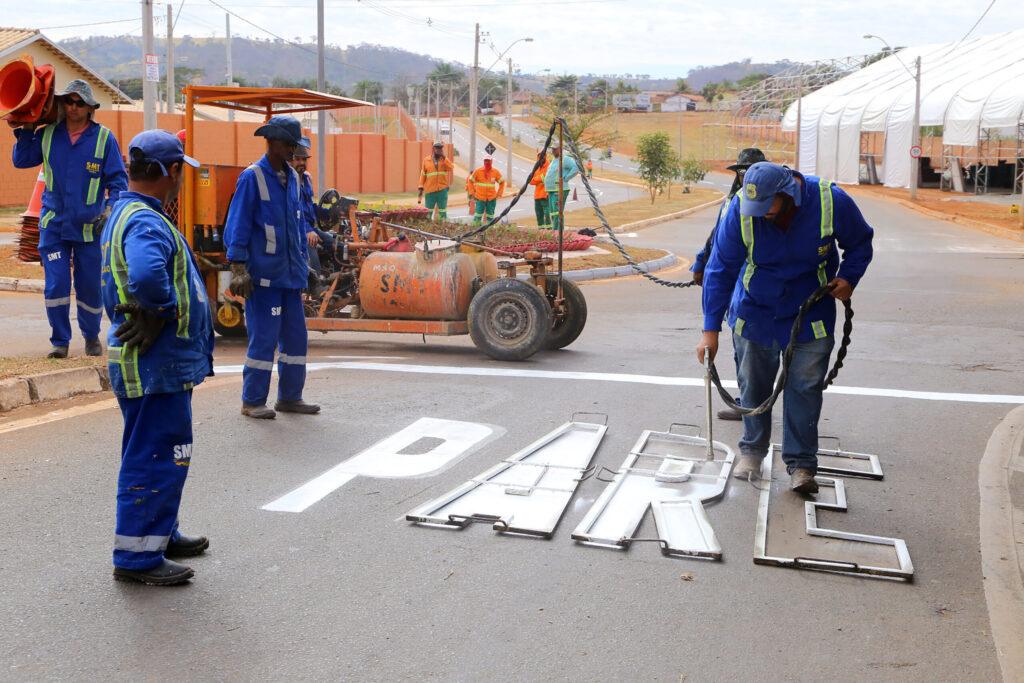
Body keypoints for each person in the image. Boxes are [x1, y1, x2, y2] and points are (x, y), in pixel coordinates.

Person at [696, 162, 873, 494]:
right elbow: (720, 268)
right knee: (753, 386)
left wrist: (850, 276)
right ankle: (752, 451)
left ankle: (801, 464)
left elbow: (861, 242)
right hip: (755, 311)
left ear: (788, 194)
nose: (760, 214)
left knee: (804, 389)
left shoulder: (831, 201)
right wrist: (710, 330)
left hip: (810, 312)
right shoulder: (741, 210)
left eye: (767, 207)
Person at [100, 129, 213, 585]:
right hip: (155, 362)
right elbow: (147, 275)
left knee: (159, 451)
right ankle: (138, 558)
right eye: (179, 171)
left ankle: (160, 533)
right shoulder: (146, 221)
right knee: (157, 455)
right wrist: (162, 310)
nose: (181, 179)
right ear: (169, 172)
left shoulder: (127, 211)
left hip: (153, 362)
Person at [11, 79, 127, 358]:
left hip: (90, 228)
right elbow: (22, 159)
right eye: (68, 101)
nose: (73, 107)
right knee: (57, 284)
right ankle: (60, 342)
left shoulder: (103, 139)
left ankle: (90, 336)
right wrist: (26, 128)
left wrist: (110, 211)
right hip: (54, 225)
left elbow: (119, 181)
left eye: (79, 103)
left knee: (89, 287)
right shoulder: (49, 134)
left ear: (90, 108)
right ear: (61, 104)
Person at [224, 115, 320, 419]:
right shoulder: (252, 178)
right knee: (264, 339)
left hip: (290, 276)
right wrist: (238, 267)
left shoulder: (293, 179)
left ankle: (290, 397)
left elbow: (296, 225)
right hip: (263, 278)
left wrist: (305, 267)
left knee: (295, 338)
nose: (295, 151)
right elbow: (237, 224)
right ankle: (252, 401)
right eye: (291, 144)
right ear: (275, 143)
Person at [692, 147, 767, 422]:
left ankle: (751, 401)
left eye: (751, 171)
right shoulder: (733, 199)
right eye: (743, 172)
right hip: (727, 276)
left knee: (746, 341)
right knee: (739, 343)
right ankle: (746, 399)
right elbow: (717, 233)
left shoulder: (763, 201)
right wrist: (701, 261)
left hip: (747, 281)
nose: (746, 177)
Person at [290, 139, 334, 275]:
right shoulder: (288, 181)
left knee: (332, 242)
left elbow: (311, 206)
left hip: (309, 227)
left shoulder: (306, 180)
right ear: (289, 161)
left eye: (304, 160)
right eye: (298, 159)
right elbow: (293, 211)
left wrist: (330, 213)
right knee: (311, 243)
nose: (302, 163)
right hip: (295, 228)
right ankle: (316, 281)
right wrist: (307, 231)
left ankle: (333, 277)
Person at [544, 142, 578, 231]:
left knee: (556, 212)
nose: (553, 151)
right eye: (552, 149)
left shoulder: (565, 159)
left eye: (555, 149)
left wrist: (566, 178)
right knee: (553, 213)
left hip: (559, 190)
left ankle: (557, 234)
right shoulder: (554, 160)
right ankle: (556, 232)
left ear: (560, 149)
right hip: (551, 191)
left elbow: (576, 168)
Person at [417, 142, 453, 221]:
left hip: (442, 190)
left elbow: (451, 167)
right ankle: (428, 228)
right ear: (433, 149)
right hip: (430, 190)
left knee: (442, 212)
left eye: (440, 149)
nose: (439, 150)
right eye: (437, 148)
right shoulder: (426, 160)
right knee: (428, 212)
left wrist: (444, 158)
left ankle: (442, 227)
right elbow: (423, 174)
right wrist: (420, 187)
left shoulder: (444, 160)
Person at [466, 156, 505, 226]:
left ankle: (489, 230)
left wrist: (499, 193)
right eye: (485, 161)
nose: (487, 162)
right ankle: (475, 229)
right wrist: (472, 192)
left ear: (491, 161)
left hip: (491, 198)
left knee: (490, 216)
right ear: (483, 161)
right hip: (480, 198)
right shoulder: (478, 171)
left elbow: (502, 182)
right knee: (478, 215)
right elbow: (470, 181)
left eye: (488, 161)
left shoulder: (495, 172)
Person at [530, 149, 551, 228]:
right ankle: (541, 231)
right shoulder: (537, 167)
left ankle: (550, 231)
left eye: (542, 156)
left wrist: (537, 178)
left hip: (546, 195)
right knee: (539, 215)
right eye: (539, 157)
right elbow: (530, 181)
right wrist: (539, 178)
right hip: (537, 195)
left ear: (545, 156)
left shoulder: (549, 166)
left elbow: (545, 177)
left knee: (547, 214)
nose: (540, 158)